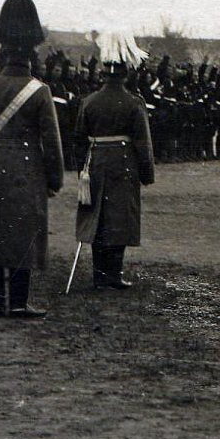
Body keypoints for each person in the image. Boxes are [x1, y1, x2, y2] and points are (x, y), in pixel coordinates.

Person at [0, 0, 63, 319]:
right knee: (23, 232)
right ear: (32, 53)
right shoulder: (40, 91)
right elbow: (51, 141)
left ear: (2, 50)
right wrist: (54, 179)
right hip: (27, 168)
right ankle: (19, 302)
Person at [72, 48, 155, 290]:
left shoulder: (88, 101)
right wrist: (147, 172)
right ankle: (113, 275)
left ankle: (99, 275)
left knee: (97, 216)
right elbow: (143, 142)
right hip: (123, 163)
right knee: (119, 217)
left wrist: (82, 170)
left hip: (96, 162)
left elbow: (78, 139)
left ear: (103, 74)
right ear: (125, 74)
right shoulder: (134, 102)